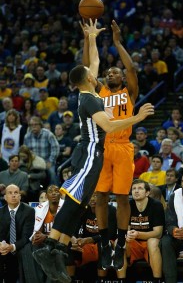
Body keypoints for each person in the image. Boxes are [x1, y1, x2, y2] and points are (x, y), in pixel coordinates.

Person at [32, 19, 154, 283]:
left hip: (98, 153)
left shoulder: (91, 90)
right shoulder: (88, 98)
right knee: (75, 201)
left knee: (80, 203)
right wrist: (138, 117)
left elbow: (94, 62)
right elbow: (109, 125)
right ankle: (48, 248)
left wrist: (91, 38)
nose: (97, 72)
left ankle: (58, 249)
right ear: (89, 79)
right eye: (94, 73)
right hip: (90, 152)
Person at [81, 19, 141, 271]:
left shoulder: (130, 92)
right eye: (108, 73)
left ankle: (121, 245)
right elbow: (86, 70)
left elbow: (131, 69)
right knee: (101, 196)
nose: (110, 74)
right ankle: (105, 243)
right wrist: (88, 39)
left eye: (114, 72)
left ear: (122, 78)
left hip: (124, 146)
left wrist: (116, 42)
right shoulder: (100, 92)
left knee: (122, 197)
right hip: (103, 146)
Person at [125, 179, 165, 283]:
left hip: (150, 243)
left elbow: (158, 233)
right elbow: (126, 229)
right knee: (120, 241)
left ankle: (157, 280)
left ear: (147, 192)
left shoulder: (156, 205)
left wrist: (138, 234)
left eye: (140, 188)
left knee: (152, 241)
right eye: (133, 189)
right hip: (135, 243)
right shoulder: (128, 205)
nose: (136, 191)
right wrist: (128, 234)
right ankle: (123, 278)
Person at [0, 184, 35, 283]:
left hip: (20, 247)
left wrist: (12, 247)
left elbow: (26, 236)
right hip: (3, 248)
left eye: (16, 193)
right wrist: (1, 245)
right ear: (5, 197)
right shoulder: (1, 212)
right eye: (10, 193)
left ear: (20, 196)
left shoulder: (29, 211)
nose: (13, 195)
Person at [24, 116, 60, 185]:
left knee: (52, 173)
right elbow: (25, 151)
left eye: (35, 124)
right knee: (23, 173)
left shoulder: (48, 134)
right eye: (31, 125)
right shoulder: (27, 137)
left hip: (47, 161)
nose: (33, 127)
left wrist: (50, 161)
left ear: (40, 125)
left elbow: (55, 148)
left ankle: (54, 190)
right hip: (33, 162)